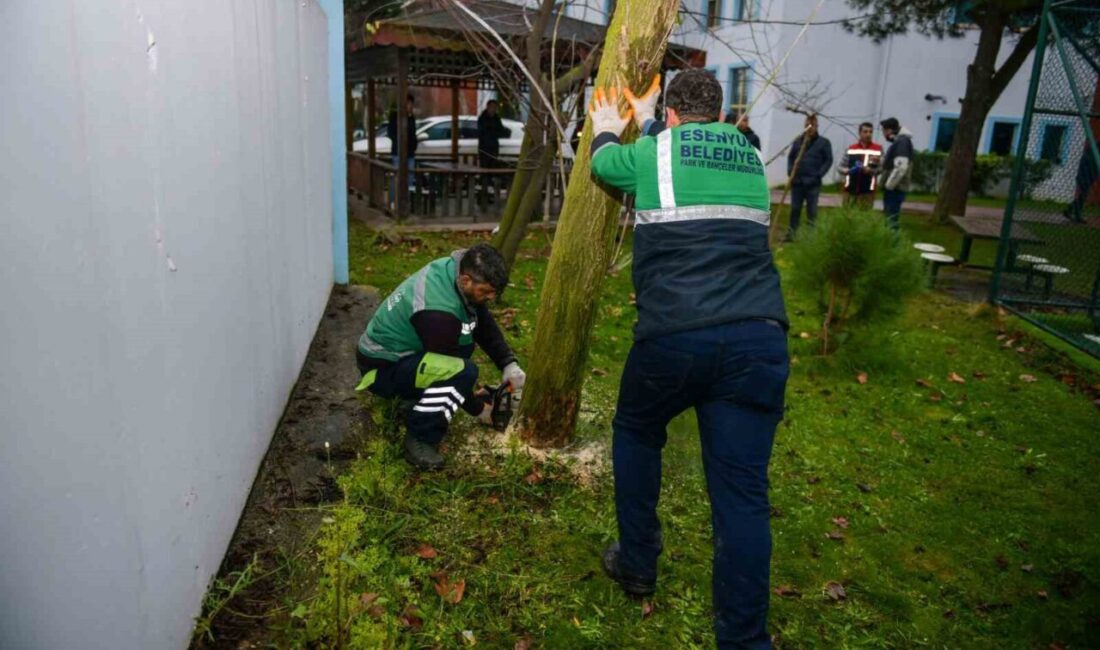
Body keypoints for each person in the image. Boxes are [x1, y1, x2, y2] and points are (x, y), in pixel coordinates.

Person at [588, 69, 789, 649]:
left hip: (675, 338)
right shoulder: (749, 153)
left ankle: (637, 562)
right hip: (758, 339)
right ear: (719, 113)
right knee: (743, 496)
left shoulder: (652, 153)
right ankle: (746, 641)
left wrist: (607, 128)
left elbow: (607, 165)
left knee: (636, 429)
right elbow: (689, 148)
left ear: (671, 114)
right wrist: (654, 116)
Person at [354, 243, 526, 470]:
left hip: (404, 356)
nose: (491, 298)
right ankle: (420, 437)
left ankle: (416, 399)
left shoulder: (453, 271)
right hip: (382, 370)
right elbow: (451, 369)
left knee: (462, 358)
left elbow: (481, 319)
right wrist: (480, 410)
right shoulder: (438, 313)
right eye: (486, 292)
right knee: (463, 371)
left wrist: (508, 363)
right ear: (465, 280)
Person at [786, 114, 833, 236]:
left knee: (811, 210)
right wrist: (791, 172)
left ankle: (810, 235)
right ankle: (791, 233)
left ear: (817, 126)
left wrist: (819, 174)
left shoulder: (823, 142)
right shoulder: (798, 142)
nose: (810, 128)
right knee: (795, 209)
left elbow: (828, 160)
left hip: (813, 183)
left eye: (812, 125)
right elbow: (791, 157)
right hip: (797, 182)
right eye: (807, 125)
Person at [837, 121, 882, 209]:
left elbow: (882, 168)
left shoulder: (878, 149)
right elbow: (840, 167)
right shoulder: (851, 148)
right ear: (860, 133)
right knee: (847, 215)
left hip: (868, 190)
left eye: (870, 132)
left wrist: (871, 170)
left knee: (865, 217)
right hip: (850, 189)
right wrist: (846, 171)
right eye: (865, 132)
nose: (868, 134)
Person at [879, 117, 914, 230]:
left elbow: (900, 167)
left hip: (895, 189)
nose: (883, 134)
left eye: (883, 131)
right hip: (895, 188)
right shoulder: (900, 141)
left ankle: (892, 243)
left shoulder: (902, 142)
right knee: (890, 217)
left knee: (891, 219)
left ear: (888, 130)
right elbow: (894, 163)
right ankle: (889, 240)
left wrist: (889, 186)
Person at [387, 93, 418, 198]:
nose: (409, 106)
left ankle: (406, 201)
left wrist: (414, 144)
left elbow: (413, 133)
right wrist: (399, 142)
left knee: (409, 178)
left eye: (411, 104)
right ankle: (393, 201)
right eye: (407, 103)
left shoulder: (411, 117)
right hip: (398, 152)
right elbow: (390, 133)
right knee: (396, 178)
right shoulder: (395, 117)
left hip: (410, 154)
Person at [477, 100, 509, 169]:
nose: (494, 109)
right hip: (484, 148)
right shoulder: (482, 118)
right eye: (492, 107)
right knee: (484, 167)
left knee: (493, 165)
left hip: (494, 146)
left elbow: (501, 130)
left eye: (495, 107)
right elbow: (483, 132)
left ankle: (490, 178)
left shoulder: (497, 118)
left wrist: (495, 131)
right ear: (488, 107)